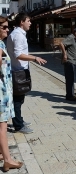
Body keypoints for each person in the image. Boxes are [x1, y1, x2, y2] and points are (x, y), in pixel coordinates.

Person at [7, 13, 47, 134]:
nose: (30, 23)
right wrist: (34, 58)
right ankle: (18, 125)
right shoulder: (18, 35)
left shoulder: (17, 34)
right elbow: (18, 55)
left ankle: (19, 120)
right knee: (17, 100)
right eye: (28, 21)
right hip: (18, 71)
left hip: (17, 70)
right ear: (21, 22)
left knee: (19, 99)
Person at [0, 16, 23, 171]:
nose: (8, 30)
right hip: (0, 93)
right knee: (2, 126)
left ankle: (2, 153)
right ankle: (7, 160)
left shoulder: (1, 43)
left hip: (4, 90)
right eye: (4, 27)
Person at [59, 28, 76, 101]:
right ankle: (69, 95)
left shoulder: (74, 39)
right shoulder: (71, 37)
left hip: (72, 61)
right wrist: (65, 54)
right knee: (69, 78)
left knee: (71, 78)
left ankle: (71, 94)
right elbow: (61, 44)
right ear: (75, 33)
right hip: (69, 61)